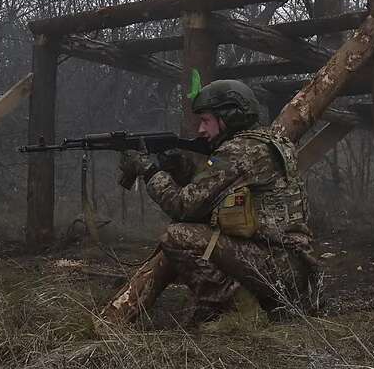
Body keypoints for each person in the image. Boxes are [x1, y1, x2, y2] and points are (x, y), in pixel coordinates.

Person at [105, 80, 317, 326]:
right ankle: (263, 304)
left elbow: (184, 207)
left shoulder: (239, 151)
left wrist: (148, 170)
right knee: (198, 236)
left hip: (275, 264)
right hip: (290, 265)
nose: (200, 130)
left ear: (228, 117)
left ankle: (233, 310)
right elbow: (213, 192)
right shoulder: (264, 142)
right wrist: (180, 167)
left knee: (177, 236)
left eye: (206, 120)